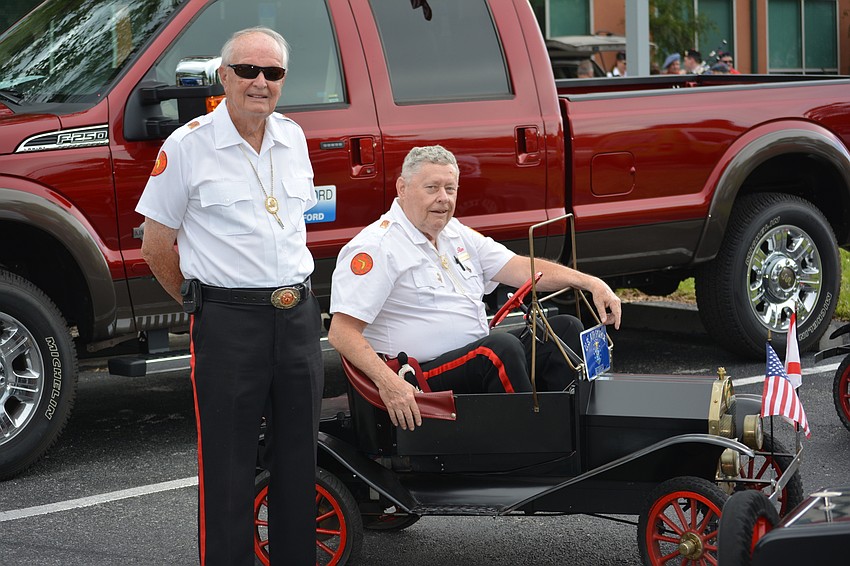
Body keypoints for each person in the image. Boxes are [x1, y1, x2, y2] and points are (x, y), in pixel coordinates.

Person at [135, 27, 323, 566]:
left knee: (298, 467)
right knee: (228, 470)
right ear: (224, 76)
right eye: (247, 70)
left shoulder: (294, 138)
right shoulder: (188, 146)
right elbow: (156, 245)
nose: (260, 82)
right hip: (228, 323)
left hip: (297, 319)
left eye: (273, 73)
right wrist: (202, 303)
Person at [328, 145, 621, 431]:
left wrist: (588, 282)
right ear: (402, 188)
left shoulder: (454, 231)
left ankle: (576, 432)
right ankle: (531, 447)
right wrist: (389, 383)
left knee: (565, 328)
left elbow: (520, 267)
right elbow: (341, 333)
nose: (443, 199)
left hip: (469, 359)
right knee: (497, 350)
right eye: (432, 188)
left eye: (450, 189)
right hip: (420, 376)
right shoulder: (378, 246)